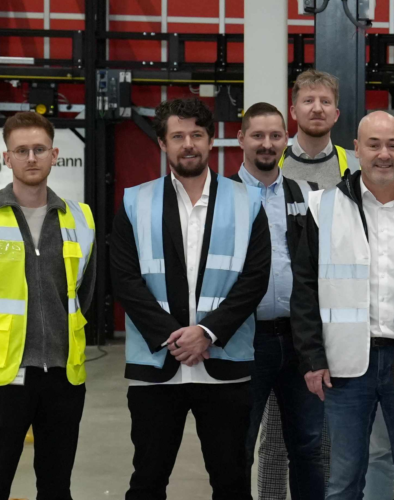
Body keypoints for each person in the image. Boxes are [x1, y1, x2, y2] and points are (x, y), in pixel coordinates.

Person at [109, 97, 271, 500]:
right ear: (162, 144)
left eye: (196, 135)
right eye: (177, 136)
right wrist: (174, 337)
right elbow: (125, 279)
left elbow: (254, 279)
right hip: (156, 365)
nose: (188, 144)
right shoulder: (135, 201)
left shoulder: (247, 201)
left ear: (211, 140)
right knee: (147, 481)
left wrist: (207, 333)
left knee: (232, 482)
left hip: (225, 363)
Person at [291, 111, 394, 500]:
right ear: (357, 149)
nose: (384, 154)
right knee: (344, 479)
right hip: (346, 366)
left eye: (393, 145)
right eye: (374, 145)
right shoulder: (322, 207)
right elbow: (306, 289)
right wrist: (312, 358)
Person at [0, 111, 92, 500]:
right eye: (21, 150)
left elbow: (86, 291)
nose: (31, 158)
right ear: (6, 158)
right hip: (3, 376)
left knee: (57, 486)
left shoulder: (80, 219)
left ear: (55, 154)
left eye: (39, 149)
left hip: (63, 374)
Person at [227, 103, 329, 500]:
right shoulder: (221, 197)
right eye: (257, 135)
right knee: (239, 446)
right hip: (242, 339)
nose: (267, 144)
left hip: (299, 339)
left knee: (308, 446)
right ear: (240, 139)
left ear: (286, 140)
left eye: (275, 136)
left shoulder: (307, 195)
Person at [283, 70, 361, 188]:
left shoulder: (357, 166)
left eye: (325, 102)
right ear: (294, 112)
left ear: (336, 115)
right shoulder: (274, 164)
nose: (318, 109)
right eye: (308, 101)